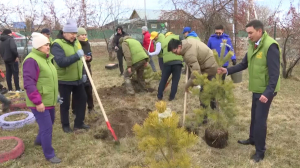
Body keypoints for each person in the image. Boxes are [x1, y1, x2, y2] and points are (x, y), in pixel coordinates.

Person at [217, 20, 280, 162]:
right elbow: (244, 64)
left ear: (259, 31)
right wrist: (227, 70)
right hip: (257, 88)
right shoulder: (253, 45)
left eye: (250, 33)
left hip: (266, 90)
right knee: (254, 116)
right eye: (247, 33)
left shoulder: (270, 46)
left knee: (260, 120)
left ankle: (260, 151)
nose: (248, 36)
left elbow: (275, 74)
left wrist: (268, 92)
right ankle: (252, 139)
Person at [22, 32, 61, 163]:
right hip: (39, 102)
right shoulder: (31, 60)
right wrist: (38, 102)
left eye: (48, 44)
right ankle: (49, 154)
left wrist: (56, 95)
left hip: (49, 100)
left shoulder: (46, 58)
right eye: (45, 44)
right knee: (47, 128)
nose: (48, 46)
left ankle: (39, 141)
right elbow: (29, 84)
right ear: (38, 46)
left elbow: (50, 80)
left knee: (51, 122)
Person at [51, 19, 89, 133]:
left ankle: (79, 123)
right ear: (64, 33)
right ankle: (65, 125)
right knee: (65, 104)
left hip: (77, 79)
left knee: (82, 99)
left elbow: (81, 61)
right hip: (64, 80)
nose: (74, 36)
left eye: (75, 33)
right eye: (72, 33)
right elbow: (61, 62)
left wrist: (83, 74)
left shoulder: (76, 42)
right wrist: (77, 56)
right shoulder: (57, 44)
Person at [167, 38, 218, 109]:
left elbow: (196, 73)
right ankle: (214, 108)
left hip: (209, 68)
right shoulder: (187, 42)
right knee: (210, 88)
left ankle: (204, 115)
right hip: (211, 63)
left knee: (204, 92)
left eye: (175, 52)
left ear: (179, 46)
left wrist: (187, 85)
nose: (176, 54)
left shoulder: (189, 54)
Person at [72, 27, 95, 114]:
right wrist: (81, 59)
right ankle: (75, 110)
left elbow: (90, 55)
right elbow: (73, 58)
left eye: (85, 34)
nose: (84, 36)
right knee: (77, 89)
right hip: (78, 69)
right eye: (82, 35)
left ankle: (91, 108)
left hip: (87, 68)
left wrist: (89, 58)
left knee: (89, 87)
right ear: (77, 36)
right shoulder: (74, 44)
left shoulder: (87, 44)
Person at [157, 32, 183, 101]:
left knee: (163, 79)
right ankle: (171, 97)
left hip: (167, 63)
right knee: (175, 81)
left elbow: (162, 52)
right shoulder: (178, 37)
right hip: (177, 62)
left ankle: (159, 95)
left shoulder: (164, 41)